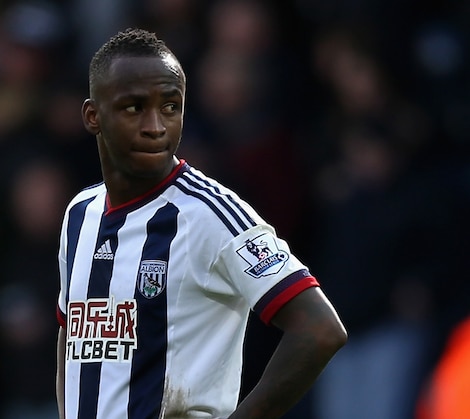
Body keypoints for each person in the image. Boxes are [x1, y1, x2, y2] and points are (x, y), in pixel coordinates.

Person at [55, 28, 347, 419]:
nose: (156, 126)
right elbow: (70, 334)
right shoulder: (80, 213)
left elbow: (320, 329)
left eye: (170, 107)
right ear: (93, 116)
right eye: (134, 108)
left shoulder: (210, 215)